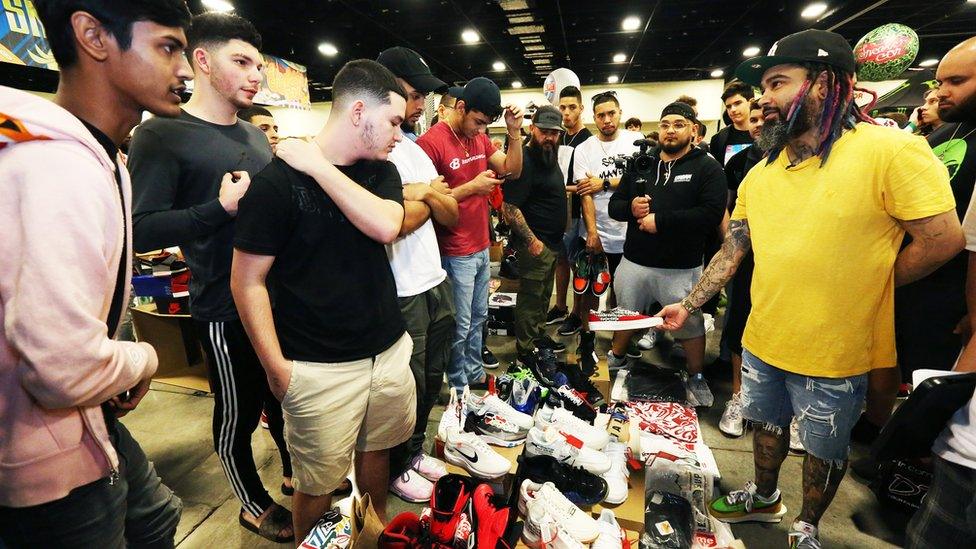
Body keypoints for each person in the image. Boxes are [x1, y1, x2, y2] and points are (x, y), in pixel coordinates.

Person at [657, 29, 963, 548]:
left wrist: (867, 288)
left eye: (778, 83)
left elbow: (941, 240)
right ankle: (764, 496)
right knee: (766, 427)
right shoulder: (762, 173)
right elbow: (733, 252)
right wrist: (686, 306)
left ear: (824, 83)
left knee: (823, 448)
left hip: (836, 351)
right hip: (764, 337)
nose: (763, 98)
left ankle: (808, 526)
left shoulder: (891, 150)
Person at [0, 1, 192, 546]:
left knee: (155, 517)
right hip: (42, 458)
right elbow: (60, 368)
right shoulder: (58, 166)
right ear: (93, 36)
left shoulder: (96, 155)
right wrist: (142, 359)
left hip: (81, 422)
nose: (183, 70)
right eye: (167, 47)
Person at [128, 13, 296, 542]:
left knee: (282, 396)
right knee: (238, 412)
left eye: (256, 64)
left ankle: (295, 471)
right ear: (202, 61)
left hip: (276, 299)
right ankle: (250, 502)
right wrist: (217, 210)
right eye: (240, 62)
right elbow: (138, 227)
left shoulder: (254, 134)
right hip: (221, 305)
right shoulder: (161, 135)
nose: (255, 77)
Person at [232, 59, 415, 541]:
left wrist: (316, 165)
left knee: (377, 453)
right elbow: (246, 282)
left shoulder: (381, 172)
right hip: (317, 367)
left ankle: (371, 539)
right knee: (316, 483)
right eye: (394, 121)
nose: (399, 133)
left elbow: (386, 225)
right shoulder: (275, 183)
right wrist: (276, 367)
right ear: (359, 112)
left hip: (387, 351)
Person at [376, 46, 458, 504]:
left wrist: (421, 193)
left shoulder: (411, 147)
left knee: (433, 377)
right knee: (406, 386)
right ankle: (394, 466)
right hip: (401, 288)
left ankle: (414, 451)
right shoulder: (374, 149)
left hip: (434, 277)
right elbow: (392, 223)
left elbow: (449, 212)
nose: (420, 103)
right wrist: (426, 197)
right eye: (413, 93)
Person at [607, 102, 726, 407]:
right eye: (665, 124)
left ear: (693, 130)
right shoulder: (640, 164)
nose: (670, 130)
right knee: (625, 316)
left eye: (678, 124)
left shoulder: (707, 167)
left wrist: (660, 221)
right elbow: (614, 206)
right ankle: (616, 359)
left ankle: (697, 376)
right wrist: (630, 208)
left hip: (680, 267)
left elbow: (710, 214)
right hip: (634, 261)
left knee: (690, 324)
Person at [908, 35, 976, 548]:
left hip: (956, 297)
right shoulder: (945, 135)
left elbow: (960, 243)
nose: (942, 91)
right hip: (925, 285)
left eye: (957, 81)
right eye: (940, 81)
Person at [417, 77, 524, 390]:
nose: (480, 130)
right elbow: (426, 200)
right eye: (477, 122)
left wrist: (514, 132)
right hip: (454, 249)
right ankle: (458, 383)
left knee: (479, 317)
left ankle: (474, 372)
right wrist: (472, 188)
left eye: (486, 125)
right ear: (460, 107)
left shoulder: (478, 138)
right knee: (460, 324)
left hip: (480, 244)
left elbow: (511, 168)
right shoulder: (431, 143)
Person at [573, 91, 645, 372]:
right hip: (596, 231)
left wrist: (604, 183)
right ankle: (587, 337)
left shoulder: (634, 143)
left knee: (623, 292)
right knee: (589, 291)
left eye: (611, 113)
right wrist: (592, 232)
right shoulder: (584, 149)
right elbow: (584, 194)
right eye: (601, 115)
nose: (606, 119)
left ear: (619, 113)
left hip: (631, 234)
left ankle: (622, 338)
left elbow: (637, 181)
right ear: (594, 118)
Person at [502, 106, 569, 360]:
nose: (549, 137)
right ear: (532, 129)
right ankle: (526, 350)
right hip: (535, 244)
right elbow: (509, 207)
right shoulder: (526, 159)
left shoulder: (548, 156)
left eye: (554, 132)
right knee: (530, 301)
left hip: (551, 243)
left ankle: (538, 336)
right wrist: (532, 241)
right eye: (544, 131)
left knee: (542, 298)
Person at [717, 99, 765, 438]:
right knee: (737, 325)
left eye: (764, 116)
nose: (758, 123)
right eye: (755, 118)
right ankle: (738, 396)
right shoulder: (740, 163)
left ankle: (789, 413)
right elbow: (729, 207)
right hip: (748, 259)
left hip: (797, 271)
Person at [552, 86, 593, 334]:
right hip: (557, 211)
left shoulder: (588, 140)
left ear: (581, 108)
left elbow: (588, 183)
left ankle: (577, 314)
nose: (566, 113)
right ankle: (559, 306)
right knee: (560, 260)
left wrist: (562, 188)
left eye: (572, 107)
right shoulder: (557, 136)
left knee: (578, 263)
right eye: (563, 108)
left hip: (579, 211)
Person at [709, 79, 756, 166]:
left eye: (737, 103)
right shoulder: (718, 139)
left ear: (751, 102)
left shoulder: (764, 133)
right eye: (728, 107)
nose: (733, 110)